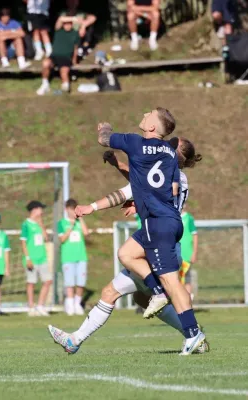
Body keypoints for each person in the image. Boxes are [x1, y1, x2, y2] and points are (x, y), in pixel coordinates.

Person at [48, 138, 208, 355]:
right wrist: (119, 166)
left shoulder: (169, 175)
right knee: (134, 296)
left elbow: (132, 189)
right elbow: (138, 184)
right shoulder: (171, 174)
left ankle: (192, 332)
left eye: (170, 145)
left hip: (159, 246)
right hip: (156, 245)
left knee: (143, 277)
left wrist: (93, 207)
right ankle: (194, 334)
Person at [94, 110, 206, 355]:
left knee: (171, 283)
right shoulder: (167, 159)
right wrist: (121, 168)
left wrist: (105, 127)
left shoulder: (142, 146)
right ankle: (162, 298)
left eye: (175, 144)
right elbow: (145, 179)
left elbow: (107, 141)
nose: (145, 113)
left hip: (161, 225)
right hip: (162, 224)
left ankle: (193, 332)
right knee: (126, 254)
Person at [58, 199, 89, 316]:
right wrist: (70, 226)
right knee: (69, 283)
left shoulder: (79, 222)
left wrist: (80, 219)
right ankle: (70, 305)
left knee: (81, 282)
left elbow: (86, 233)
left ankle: (77, 304)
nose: (72, 212)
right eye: (71, 209)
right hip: (68, 257)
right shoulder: (61, 223)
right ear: (66, 209)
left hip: (81, 256)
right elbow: (62, 239)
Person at [20, 200, 52, 317]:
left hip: (42, 257)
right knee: (31, 283)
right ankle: (31, 307)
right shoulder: (26, 224)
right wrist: (28, 258)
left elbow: (46, 238)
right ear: (34, 210)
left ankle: (40, 306)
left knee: (48, 281)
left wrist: (41, 224)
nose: (42, 211)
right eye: (40, 208)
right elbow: (23, 242)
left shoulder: (39, 223)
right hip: (32, 258)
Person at [36, 15, 79, 95]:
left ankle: (65, 88)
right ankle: (45, 84)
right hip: (54, 56)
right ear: (63, 24)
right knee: (45, 63)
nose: (67, 25)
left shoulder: (75, 33)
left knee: (64, 73)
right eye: (65, 23)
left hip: (66, 58)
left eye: (69, 23)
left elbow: (75, 48)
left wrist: (74, 60)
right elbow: (60, 18)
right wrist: (74, 18)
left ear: (72, 24)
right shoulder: (58, 30)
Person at [179, 206, 198, 299]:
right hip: (174, 255)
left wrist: (194, 253)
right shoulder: (171, 217)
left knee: (187, 279)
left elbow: (195, 235)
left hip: (186, 255)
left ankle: (188, 303)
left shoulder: (189, 218)